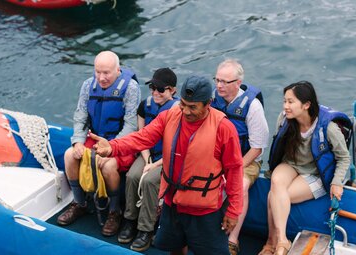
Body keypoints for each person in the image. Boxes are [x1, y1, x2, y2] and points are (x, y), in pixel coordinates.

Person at [91, 75, 243, 255]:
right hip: (173, 204)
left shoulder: (224, 128)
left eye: (193, 107)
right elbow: (143, 138)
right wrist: (112, 146)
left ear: (208, 103)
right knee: (175, 248)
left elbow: (234, 170)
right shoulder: (170, 115)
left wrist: (233, 211)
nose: (185, 111)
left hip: (205, 211)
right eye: (183, 104)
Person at [259, 81, 351, 255]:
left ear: (306, 105)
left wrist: (337, 182)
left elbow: (344, 157)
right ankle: (282, 241)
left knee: (274, 196)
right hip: (291, 164)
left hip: (315, 172)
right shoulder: (285, 119)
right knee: (277, 182)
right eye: (284, 101)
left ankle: (272, 243)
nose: (285, 106)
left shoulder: (328, 128)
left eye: (291, 102)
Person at [57, 51, 141, 237]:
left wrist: (111, 147)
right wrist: (78, 141)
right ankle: (80, 203)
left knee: (109, 165)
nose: (101, 78)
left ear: (117, 70)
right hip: (95, 138)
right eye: (98, 72)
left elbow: (131, 125)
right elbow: (80, 117)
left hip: (120, 141)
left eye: (106, 73)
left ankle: (114, 211)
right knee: (69, 155)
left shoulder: (131, 88)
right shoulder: (88, 86)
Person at [211, 59, 269, 255]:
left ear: (237, 82)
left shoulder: (252, 107)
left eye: (224, 82)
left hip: (246, 159)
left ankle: (232, 239)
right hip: (217, 156)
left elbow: (257, 148)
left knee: (240, 185)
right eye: (217, 80)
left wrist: (234, 168)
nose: (219, 85)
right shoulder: (214, 100)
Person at [117, 67, 179, 252]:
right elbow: (141, 136)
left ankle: (146, 229)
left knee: (151, 180)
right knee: (132, 176)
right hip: (148, 154)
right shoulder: (145, 105)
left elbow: (176, 146)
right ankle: (129, 220)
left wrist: (154, 165)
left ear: (172, 91)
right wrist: (147, 160)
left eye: (161, 89)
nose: (155, 92)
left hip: (167, 158)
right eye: (153, 87)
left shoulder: (178, 111)